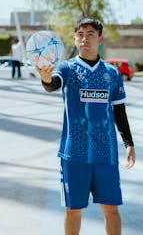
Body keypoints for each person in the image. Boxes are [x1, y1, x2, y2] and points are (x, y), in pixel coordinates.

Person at [36, 17, 135, 235]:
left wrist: (128, 143)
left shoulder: (112, 73)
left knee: (111, 210)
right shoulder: (67, 68)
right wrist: (45, 79)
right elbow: (53, 84)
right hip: (74, 154)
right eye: (80, 34)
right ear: (74, 39)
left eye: (90, 34)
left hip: (105, 154)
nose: (84, 39)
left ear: (100, 39)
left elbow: (119, 110)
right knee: (73, 210)